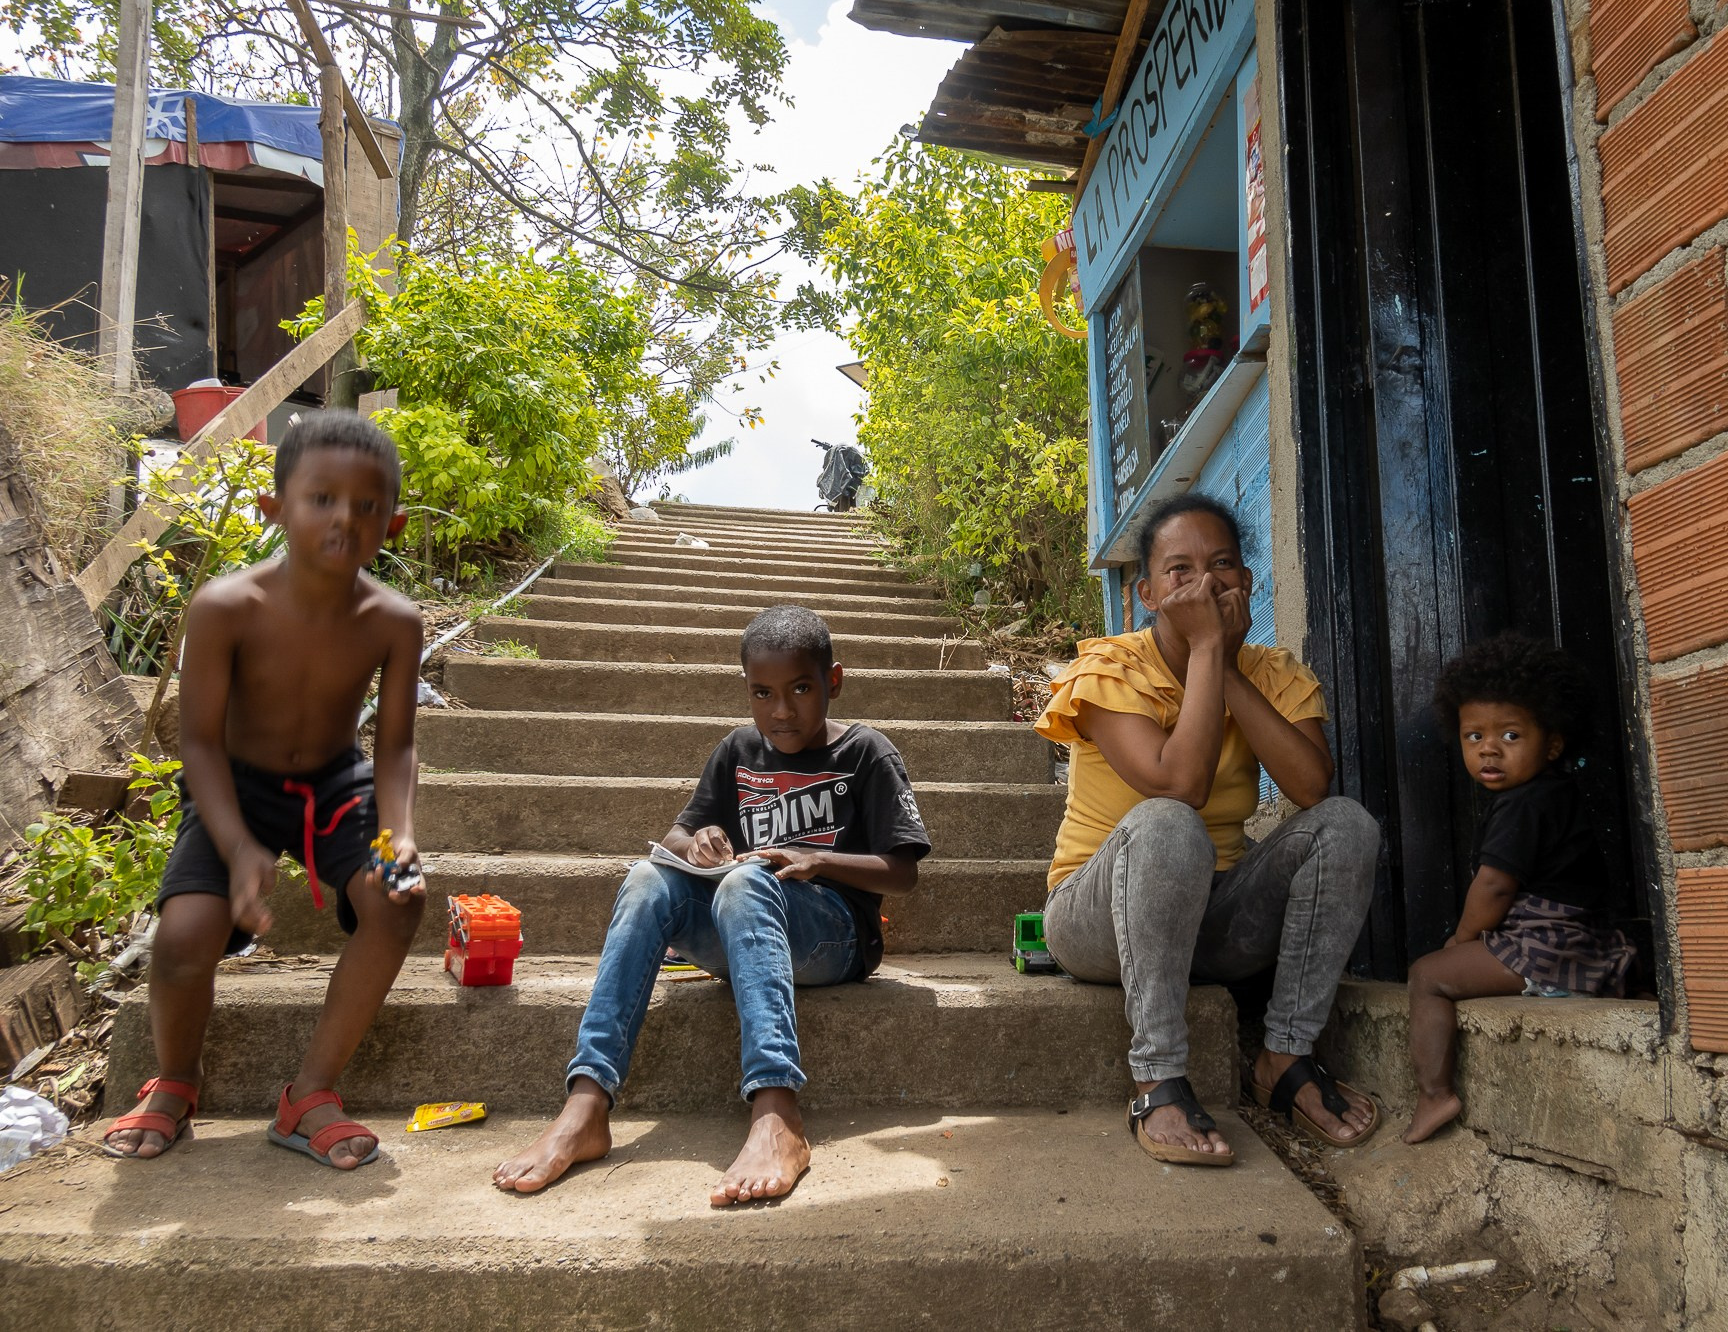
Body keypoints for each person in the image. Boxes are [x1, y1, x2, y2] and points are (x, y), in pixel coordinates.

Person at [494, 605, 931, 1205]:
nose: (781, 710)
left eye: (801, 689)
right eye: (762, 693)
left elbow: (903, 873)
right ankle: (586, 1103)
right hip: (744, 928)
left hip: (834, 937)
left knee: (746, 883)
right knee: (648, 879)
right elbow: (677, 834)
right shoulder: (739, 751)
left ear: (833, 681)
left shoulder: (865, 753)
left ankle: (776, 1110)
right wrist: (696, 842)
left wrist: (817, 860)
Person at [103, 410, 427, 1169]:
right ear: (274, 508)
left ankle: (309, 1094)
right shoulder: (225, 606)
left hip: (335, 787)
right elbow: (198, 742)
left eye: (367, 506)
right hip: (236, 786)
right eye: (322, 499)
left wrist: (400, 834)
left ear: (393, 523)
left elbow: (396, 745)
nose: (344, 519)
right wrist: (238, 846)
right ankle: (176, 1080)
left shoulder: (394, 620)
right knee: (183, 937)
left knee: (398, 900)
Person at [1035, 494, 1382, 1166]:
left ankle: (1285, 1057)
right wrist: (1204, 649)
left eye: (1221, 565)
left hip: (1215, 912)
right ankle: (1158, 1078)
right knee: (1168, 820)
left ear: (1246, 582)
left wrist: (1222, 665)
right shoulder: (1108, 670)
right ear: (1147, 594)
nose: (1203, 585)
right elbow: (1180, 784)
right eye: (1180, 571)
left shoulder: (1272, 672)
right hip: (1095, 917)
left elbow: (1311, 788)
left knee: (1346, 824)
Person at [1402, 632, 1636, 1145]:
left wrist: (1462, 940)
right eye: (1474, 736)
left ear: (1552, 743)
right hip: (1576, 941)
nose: (1489, 748)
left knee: (1427, 976)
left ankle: (1434, 1094)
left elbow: (1494, 888)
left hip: (1543, 945)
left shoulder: (1523, 804)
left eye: (1510, 735)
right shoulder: (1549, 794)